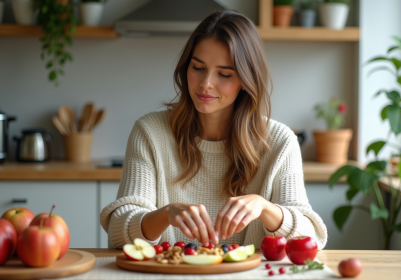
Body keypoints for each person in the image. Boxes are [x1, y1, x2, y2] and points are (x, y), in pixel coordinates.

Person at [100, 10, 327, 249]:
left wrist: (265, 207)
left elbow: (312, 239)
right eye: (198, 67)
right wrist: (165, 214)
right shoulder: (150, 133)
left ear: (246, 81)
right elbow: (117, 233)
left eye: (224, 74)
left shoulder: (280, 142)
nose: (206, 83)